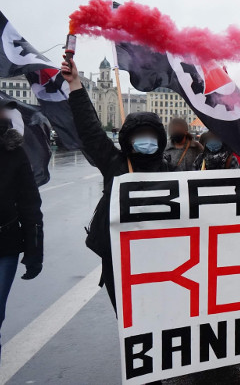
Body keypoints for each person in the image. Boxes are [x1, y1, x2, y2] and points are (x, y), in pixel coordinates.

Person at [61, 57, 170, 311]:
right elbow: (90, 130)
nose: (146, 140)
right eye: (140, 135)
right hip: (119, 257)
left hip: (161, 256)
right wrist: (75, 84)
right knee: (128, 314)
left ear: (160, 139)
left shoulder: (171, 171)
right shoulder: (115, 164)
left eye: (150, 135)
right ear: (129, 139)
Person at [0, 89, 44, 385]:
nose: (0, 115)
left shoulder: (13, 151)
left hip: (2, 248)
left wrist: (34, 249)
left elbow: (30, 203)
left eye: (2, 111)